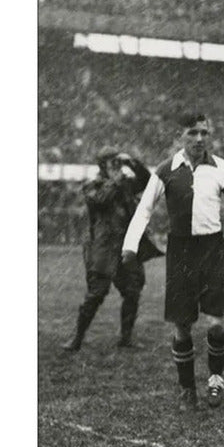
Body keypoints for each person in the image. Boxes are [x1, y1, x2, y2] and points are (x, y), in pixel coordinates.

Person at [121, 113, 224, 410]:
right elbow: (144, 210)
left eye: (204, 133)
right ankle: (187, 389)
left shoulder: (219, 167)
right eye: (192, 133)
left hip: (212, 249)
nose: (199, 139)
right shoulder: (166, 170)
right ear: (180, 136)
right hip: (180, 252)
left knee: (215, 325)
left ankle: (215, 380)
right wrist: (130, 247)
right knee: (182, 326)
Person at [62, 146, 158, 351]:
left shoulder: (125, 183)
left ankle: (126, 338)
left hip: (126, 245)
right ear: (102, 165)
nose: (117, 166)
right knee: (96, 293)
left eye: (118, 162)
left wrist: (133, 162)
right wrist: (117, 179)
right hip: (103, 247)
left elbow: (149, 183)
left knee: (132, 290)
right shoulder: (93, 185)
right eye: (112, 162)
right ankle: (77, 337)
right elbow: (101, 199)